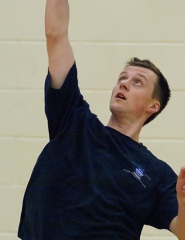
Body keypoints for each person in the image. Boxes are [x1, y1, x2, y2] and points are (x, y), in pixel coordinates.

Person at [18, 1, 185, 239]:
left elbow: (182, 229)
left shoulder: (156, 173)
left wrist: (183, 204)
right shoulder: (74, 122)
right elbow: (55, 35)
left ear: (153, 106)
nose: (124, 83)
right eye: (122, 77)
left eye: (137, 82)